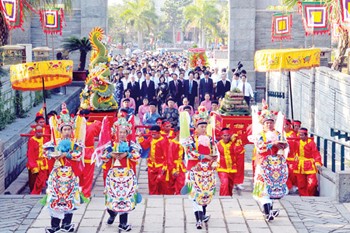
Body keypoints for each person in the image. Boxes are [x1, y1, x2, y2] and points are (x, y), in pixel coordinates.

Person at [43, 103, 86, 233]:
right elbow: (45, 152)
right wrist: (53, 154)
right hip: (56, 176)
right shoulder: (54, 142)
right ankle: (55, 225)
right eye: (64, 129)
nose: (67, 132)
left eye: (69, 129)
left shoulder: (76, 143)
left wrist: (67, 154)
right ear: (60, 130)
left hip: (70, 175)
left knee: (70, 198)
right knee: (54, 197)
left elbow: (78, 155)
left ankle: (66, 224)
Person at [249, 103, 288, 222]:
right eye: (267, 122)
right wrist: (273, 144)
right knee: (263, 188)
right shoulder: (260, 136)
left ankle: (269, 210)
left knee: (272, 188)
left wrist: (283, 145)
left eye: (271, 122)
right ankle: (267, 212)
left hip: (275, 165)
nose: (269, 124)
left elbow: (284, 145)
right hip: (263, 164)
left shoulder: (278, 134)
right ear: (263, 124)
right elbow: (260, 147)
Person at [101, 118, 141, 231]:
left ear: (128, 133)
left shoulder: (131, 144)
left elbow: (138, 155)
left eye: (124, 132)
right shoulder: (110, 144)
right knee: (111, 197)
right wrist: (110, 155)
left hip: (127, 175)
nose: (122, 134)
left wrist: (127, 154)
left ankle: (123, 223)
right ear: (115, 132)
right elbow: (103, 157)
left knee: (125, 197)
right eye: (120, 132)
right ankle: (112, 213)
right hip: (113, 176)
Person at [181, 107, 217, 229]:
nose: (203, 129)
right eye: (201, 126)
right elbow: (190, 153)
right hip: (194, 170)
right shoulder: (190, 140)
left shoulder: (211, 139)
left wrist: (215, 158)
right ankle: (198, 219)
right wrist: (203, 155)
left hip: (208, 171)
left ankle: (203, 215)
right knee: (195, 194)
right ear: (195, 128)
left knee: (205, 193)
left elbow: (216, 152)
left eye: (205, 126)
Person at [291, 128, 322, 196]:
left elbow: (315, 153)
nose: (300, 136)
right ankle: (303, 196)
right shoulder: (296, 142)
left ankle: (310, 195)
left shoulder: (311, 143)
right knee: (301, 183)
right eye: (299, 135)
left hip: (309, 164)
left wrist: (317, 162)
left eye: (302, 135)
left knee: (312, 183)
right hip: (299, 164)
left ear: (306, 135)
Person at [139, 125, 169, 195]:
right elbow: (145, 145)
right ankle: (153, 195)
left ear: (159, 133)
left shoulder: (164, 141)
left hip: (161, 165)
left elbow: (167, 154)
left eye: (154, 134)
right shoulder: (151, 139)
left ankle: (162, 196)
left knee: (161, 182)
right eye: (152, 134)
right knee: (152, 182)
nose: (153, 135)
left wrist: (165, 166)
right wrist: (140, 138)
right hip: (151, 165)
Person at [78, 109, 102, 199]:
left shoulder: (76, 127)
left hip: (78, 151)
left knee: (79, 173)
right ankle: (86, 193)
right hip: (89, 152)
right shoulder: (94, 125)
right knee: (88, 175)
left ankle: (79, 191)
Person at [216, 128, 244, 196]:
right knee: (225, 182)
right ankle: (223, 198)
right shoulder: (217, 145)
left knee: (230, 185)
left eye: (228, 135)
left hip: (232, 169)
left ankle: (228, 199)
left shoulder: (234, 144)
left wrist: (237, 140)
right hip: (222, 168)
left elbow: (240, 151)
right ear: (221, 136)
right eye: (224, 135)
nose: (226, 137)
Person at [27, 125, 49, 194]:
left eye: (41, 132)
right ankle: (34, 192)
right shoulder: (32, 140)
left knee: (42, 179)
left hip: (43, 162)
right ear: (35, 132)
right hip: (35, 162)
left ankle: (38, 191)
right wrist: (33, 165)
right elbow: (30, 153)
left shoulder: (45, 139)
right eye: (38, 132)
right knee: (33, 180)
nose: (40, 134)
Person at [168, 128, 186, 195]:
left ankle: (179, 194)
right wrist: (173, 169)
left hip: (180, 165)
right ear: (177, 133)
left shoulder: (183, 142)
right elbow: (170, 157)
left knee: (181, 181)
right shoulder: (173, 143)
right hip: (174, 165)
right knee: (171, 184)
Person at [284, 119, 298, 193]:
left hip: (291, 157)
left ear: (289, 126)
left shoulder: (293, 134)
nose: (284, 126)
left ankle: (292, 186)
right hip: (282, 157)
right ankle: (287, 186)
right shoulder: (280, 133)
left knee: (291, 172)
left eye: (285, 125)